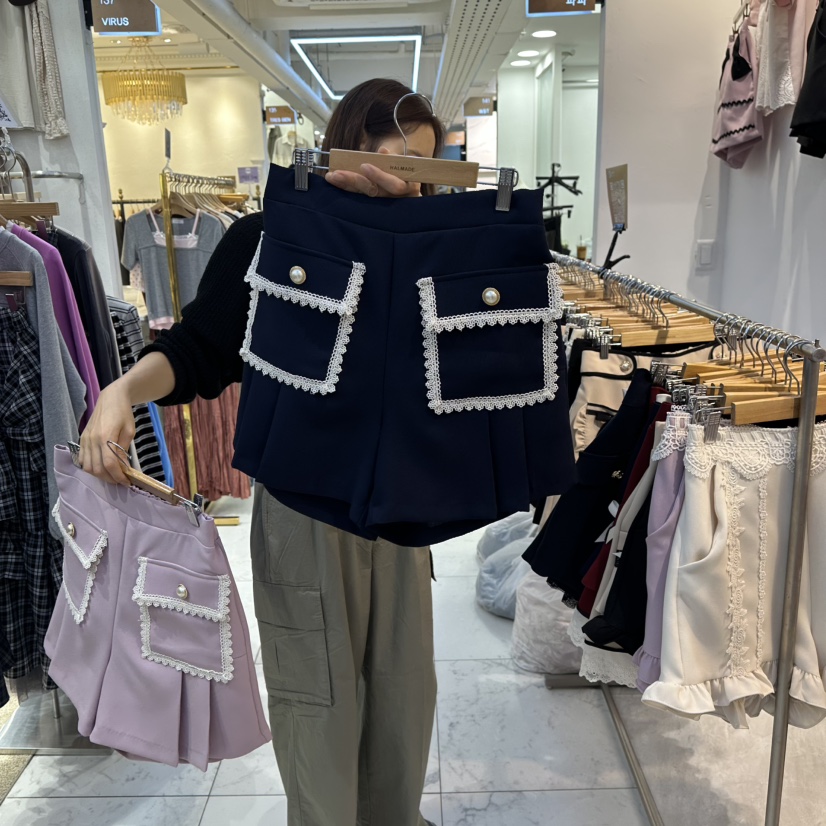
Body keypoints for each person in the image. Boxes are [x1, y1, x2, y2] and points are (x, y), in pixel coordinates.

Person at [80, 78, 444, 826]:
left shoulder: (429, 249)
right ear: (349, 146)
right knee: (317, 706)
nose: (408, 185)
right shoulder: (270, 237)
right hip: (305, 507)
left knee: (405, 701)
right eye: (399, 161)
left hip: (404, 511)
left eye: (426, 171)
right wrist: (123, 389)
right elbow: (202, 349)